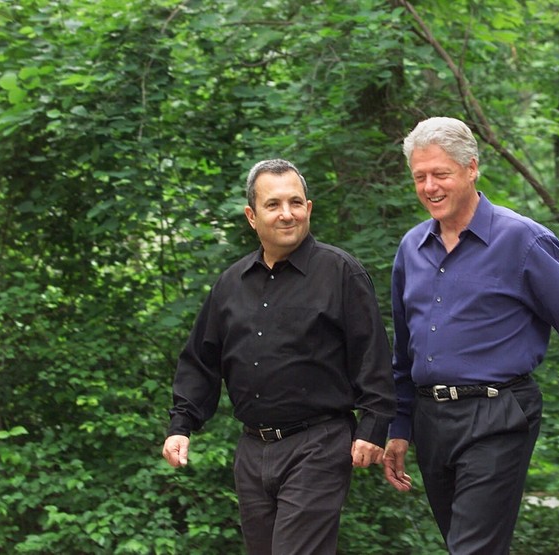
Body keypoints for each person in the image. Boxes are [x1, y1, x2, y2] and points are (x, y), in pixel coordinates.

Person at [382, 116, 559, 554]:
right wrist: (399, 424)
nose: (430, 186)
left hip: (499, 414)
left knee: (472, 549)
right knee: (466, 546)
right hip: (432, 421)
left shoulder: (523, 241)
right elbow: (402, 353)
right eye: (420, 176)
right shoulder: (411, 248)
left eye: (441, 174)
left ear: (471, 168)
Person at [161, 159, 395, 555]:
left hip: (318, 444)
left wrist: (373, 427)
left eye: (296, 202)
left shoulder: (340, 272)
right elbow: (202, 359)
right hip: (252, 451)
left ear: (309, 208)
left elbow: (372, 355)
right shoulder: (231, 284)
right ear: (252, 216)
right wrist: (181, 424)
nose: (287, 214)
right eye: (273, 205)